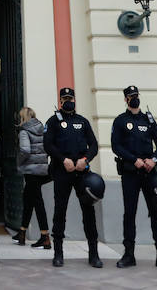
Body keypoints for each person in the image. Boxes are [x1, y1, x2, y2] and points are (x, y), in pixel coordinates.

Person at [110, 84, 157, 271]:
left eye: (136, 95)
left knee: (156, 213)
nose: (134, 98)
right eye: (131, 96)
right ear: (125, 99)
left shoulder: (148, 119)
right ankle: (129, 254)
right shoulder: (120, 121)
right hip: (130, 173)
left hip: (150, 174)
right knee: (130, 212)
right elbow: (116, 146)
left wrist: (154, 159)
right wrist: (134, 160)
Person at [43, 86, 102, 268]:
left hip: (82, 172)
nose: (68, 101)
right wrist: (63, 160)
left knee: (88, 212)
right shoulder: (53, 121)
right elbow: (47, 144)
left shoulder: (82, 121)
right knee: (60, 211)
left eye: (71, 98)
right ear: (60, 101)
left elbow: (93, 144)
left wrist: (86, 159)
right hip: (62, 172)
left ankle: (93, 253)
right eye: (65, 98)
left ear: (74, 100)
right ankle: (58, 253)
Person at [13, 106, 51, 249]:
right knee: (28, 200)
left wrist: (18, 163)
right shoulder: (42, 129)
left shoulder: (24, 131)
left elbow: (25, 150)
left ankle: (45, 236)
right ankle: (22, 233)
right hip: (41, 170)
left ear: (23, 118)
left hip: (30, 171)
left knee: (37, 202)